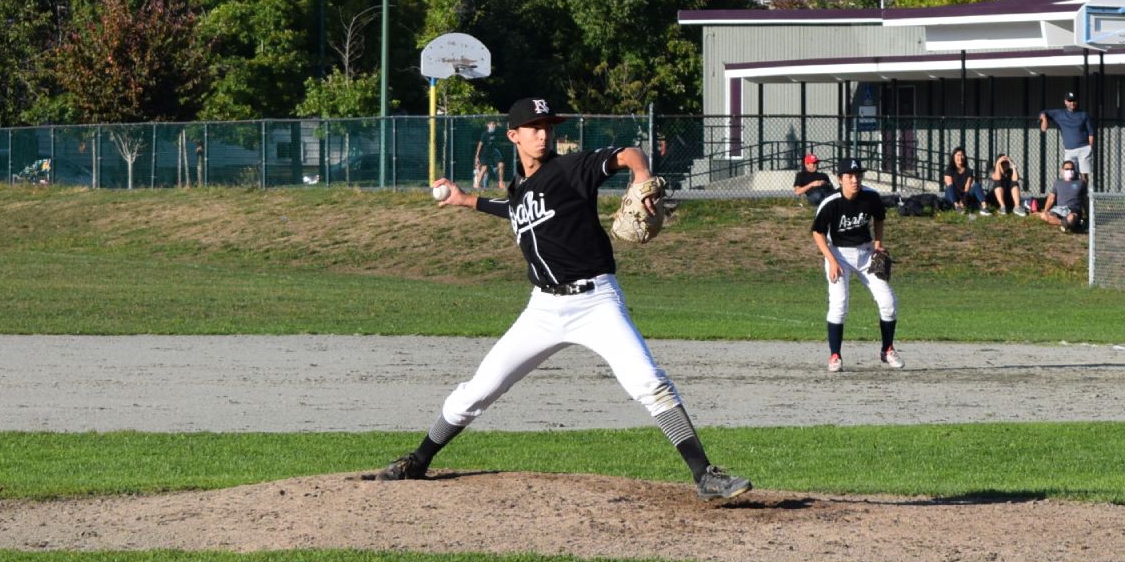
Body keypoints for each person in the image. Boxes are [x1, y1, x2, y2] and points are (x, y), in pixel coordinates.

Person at [365, 96, 752, 501]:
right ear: (514, 135)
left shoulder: (571, 169)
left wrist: (641, 176)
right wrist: (465, 201)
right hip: (543, 309)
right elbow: (514, 208)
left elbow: (630, 153)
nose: (544, 133)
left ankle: (704, 475)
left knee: (648, 382)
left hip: (596, 302)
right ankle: (419, 459)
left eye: (549, 126)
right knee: (480, 389)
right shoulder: (521, 189)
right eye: (535, 127)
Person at [811, 157, 903, 373]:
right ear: (839, 178)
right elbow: (818, 232)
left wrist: (878, 244)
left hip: (866, 253)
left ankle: (887, 349)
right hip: (838, 254)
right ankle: (835, 355)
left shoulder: (870, 197)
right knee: (839, 304)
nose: (855, 180)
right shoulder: (831, 202)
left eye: (858, 175)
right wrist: (831, 260)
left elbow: (879, 218)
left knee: (889, 302)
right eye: (849, 176)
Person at [1039, 92, 1094, 184]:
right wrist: (1044, 119)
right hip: (1069, 150)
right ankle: (1072, 195)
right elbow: (1043, 112)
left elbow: (1091, 132)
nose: (1072, 103)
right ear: (1065, 102)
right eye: (1069, 101)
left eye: (1074, 101)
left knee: (1084, 176)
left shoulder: (1084, 114)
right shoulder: (1059, 113)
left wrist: (1090, 147)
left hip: (1084, 149)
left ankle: (1083, 196)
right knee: (1069, 174)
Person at [1037, 159, 1086, 233]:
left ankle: (1068, 222)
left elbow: (1085, 200)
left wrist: (1089, 215)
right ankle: (1064, 223)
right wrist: (1046, 210)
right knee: (1044, 216)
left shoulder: (1080, 183)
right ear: (1062, 170)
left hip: (1073, 210)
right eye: (1067, 169)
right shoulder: (1058, 182)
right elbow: (1051, 198)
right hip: (1059, 210)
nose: (1070, 171)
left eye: (1072, 169)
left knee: (1071, 218)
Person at [943, 146, 992, 216]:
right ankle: (957, 206)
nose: (960, 157)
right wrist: (957, 202)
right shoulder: (949, 170)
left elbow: (967, 186)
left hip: (964, 195)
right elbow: (949, 185)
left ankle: (984, 207)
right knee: (949, 188)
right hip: (952, 196)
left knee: (976, 185)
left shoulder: (969, 171)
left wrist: (963, 200)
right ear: (953, 157)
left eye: (962, 155)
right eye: (958, 155)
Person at [473, 120, 505, 190]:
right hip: (484, 153)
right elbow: (480, 145)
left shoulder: (496, 133)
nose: (492, 126)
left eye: (494, 124)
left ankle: (500, 183)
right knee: (484, 168)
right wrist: (477, 156)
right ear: (488, 125)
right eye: (491, 124)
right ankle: (477, 184)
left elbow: (501, 126)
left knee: (501, 164)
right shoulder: (484, 134)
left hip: (493, 152)